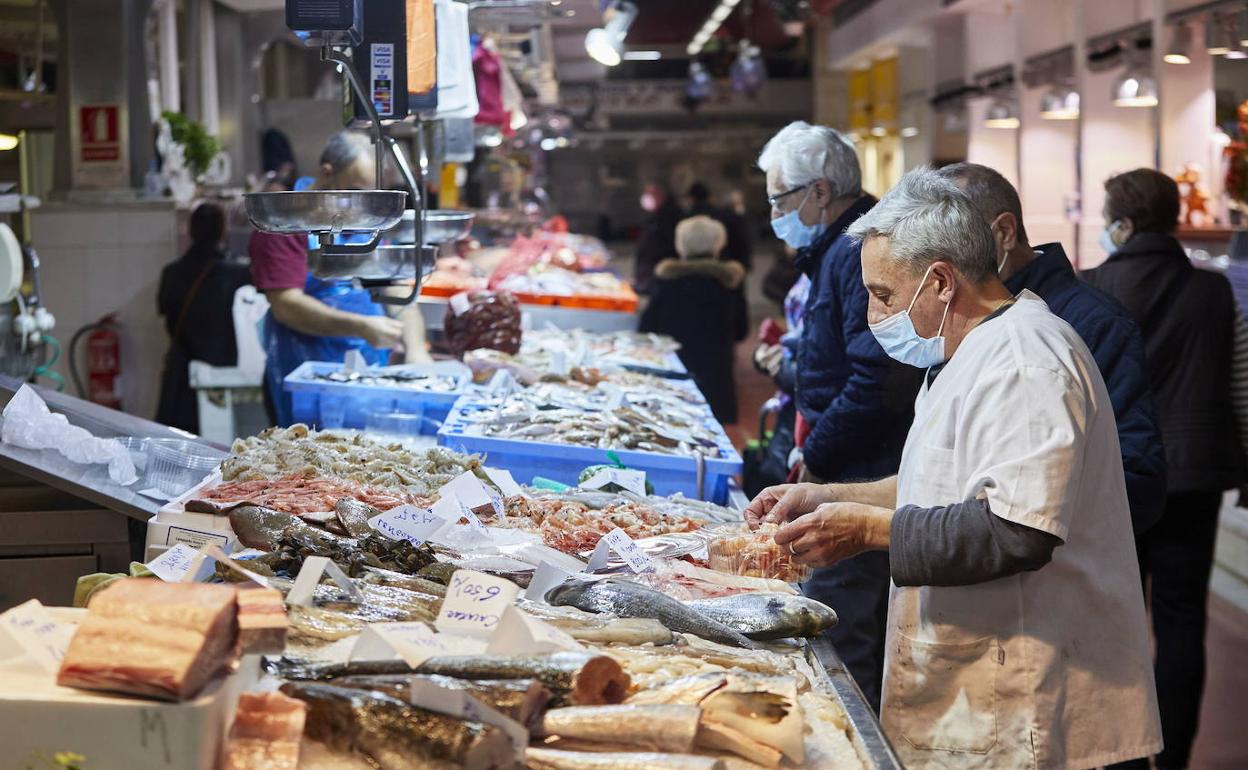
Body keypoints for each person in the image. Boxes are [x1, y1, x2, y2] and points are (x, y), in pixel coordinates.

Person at [748, 168, 1162, 770]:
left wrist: (863, 531)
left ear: (940, 281)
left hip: (1028, 702)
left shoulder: (1026, 362)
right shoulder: (970, 352)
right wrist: (827, 496)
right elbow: (940, 482)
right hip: (981, 681)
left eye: (884, 295)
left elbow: (1017, 529)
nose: (872, 314)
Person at [1083, 168, 1246, 770]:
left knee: (1116, 619)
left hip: (1119, 478)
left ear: (1121, 222)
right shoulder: (1211, 289)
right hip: (1197, 475)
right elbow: (1237, 380)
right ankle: (1174, 758)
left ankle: (1122, 754)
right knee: (1182, 622)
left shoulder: (1092, 286)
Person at [756, 120, 922, 711]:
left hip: (862, 470)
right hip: (845, 463)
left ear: (820, 192)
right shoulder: (834, 251)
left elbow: (876, 377)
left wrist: (817, 454)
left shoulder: (859, 250)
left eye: (781, 198)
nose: (775, 212)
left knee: (840, 627)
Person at [938, 162, 1167, 533]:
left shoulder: (1091, 322)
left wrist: (1021, 513)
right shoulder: (961, 316)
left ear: (1004, 233)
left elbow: (1136, 480)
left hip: (1061, 571)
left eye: (950, 242)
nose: (939, 265)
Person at [249, 130, 425, 426]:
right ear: (327, 174)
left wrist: (417, 349)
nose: (361, 203)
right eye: (355, 191)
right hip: (306, 373)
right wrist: (361, 327)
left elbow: (392, 285)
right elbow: (286, 305)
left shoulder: (363, 218)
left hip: (367, 371)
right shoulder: (284, 220)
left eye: (367, 195)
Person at [638, 216, 748, 423]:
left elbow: (646, 328)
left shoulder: (667, 281)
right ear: (718, 245)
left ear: (681, 245)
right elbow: (742, 330)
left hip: (672, 374)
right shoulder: (728, 283)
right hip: (716, 377)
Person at [156, 202, 251, 433]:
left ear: (191, 231)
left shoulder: (171, 273)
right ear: (223, 231)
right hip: (227, 381)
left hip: (181, 384)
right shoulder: (240, 274)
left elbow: (164, 309)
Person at [686, 181, 752, 272]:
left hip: (692, 272)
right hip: (725, 270)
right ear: (709, 197)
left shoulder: (684, 219)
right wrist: (745, 265)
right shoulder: (726, 215)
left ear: (691, 199)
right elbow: (741, 241)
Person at [633, 183, 681, 294]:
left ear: (660, 195)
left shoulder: (668, 216)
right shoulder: (655, 215)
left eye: (649, 193)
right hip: (648, 274)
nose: (646, 197)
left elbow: (662, 246)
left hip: (658, 274)